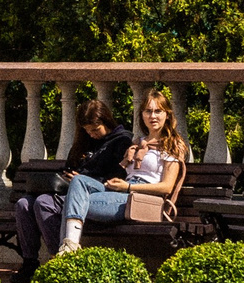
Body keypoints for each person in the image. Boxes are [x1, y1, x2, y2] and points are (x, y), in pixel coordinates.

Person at [11, 100, 126, 280]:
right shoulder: (83, 142)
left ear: (107, 121)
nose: (92, 134)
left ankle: (60, 261)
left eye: (95, 130)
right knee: (23, 204)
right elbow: (69, 167)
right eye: (87, 130)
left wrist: (82, 180)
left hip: (94, 194)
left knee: (44, 203)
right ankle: (30, 262)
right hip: (67, 191)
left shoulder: (121, 141)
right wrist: (65, 178)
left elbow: (118, 178)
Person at [62, 89, 187, 251]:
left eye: (158, 111)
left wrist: (128, 187)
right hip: (121, 193)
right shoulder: (137, 142)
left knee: (71, 203)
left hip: (142, 198)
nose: (153, 116)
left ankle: (67, 252)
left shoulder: (172, 144)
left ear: (167, 115)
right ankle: (68, 247)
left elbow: (166, 187)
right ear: (141, 115)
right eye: (148, 111)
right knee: (79, 182)